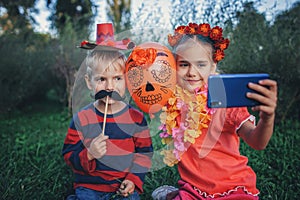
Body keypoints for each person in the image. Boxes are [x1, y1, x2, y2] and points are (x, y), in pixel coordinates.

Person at [153, 23, 277, 200]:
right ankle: (176, 194)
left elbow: (258, 142)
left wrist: (268, 118)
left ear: (212, 67)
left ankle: (172, 195)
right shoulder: (173, 101)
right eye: (183, 64)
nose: (191, 72)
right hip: (194, 189)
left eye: (201, 64)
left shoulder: (226, 103)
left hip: (234, 187)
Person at [63, 23, 153, 200]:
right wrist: (89, 154)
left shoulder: (136, 119)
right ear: (90, 82)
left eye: (117, 78)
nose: (110, 86)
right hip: (90, 186)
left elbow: (144, 154)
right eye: (102, 79)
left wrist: (133, 180)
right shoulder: (82, 118)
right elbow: (68, 153)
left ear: (126, 80)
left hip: (123, 186)